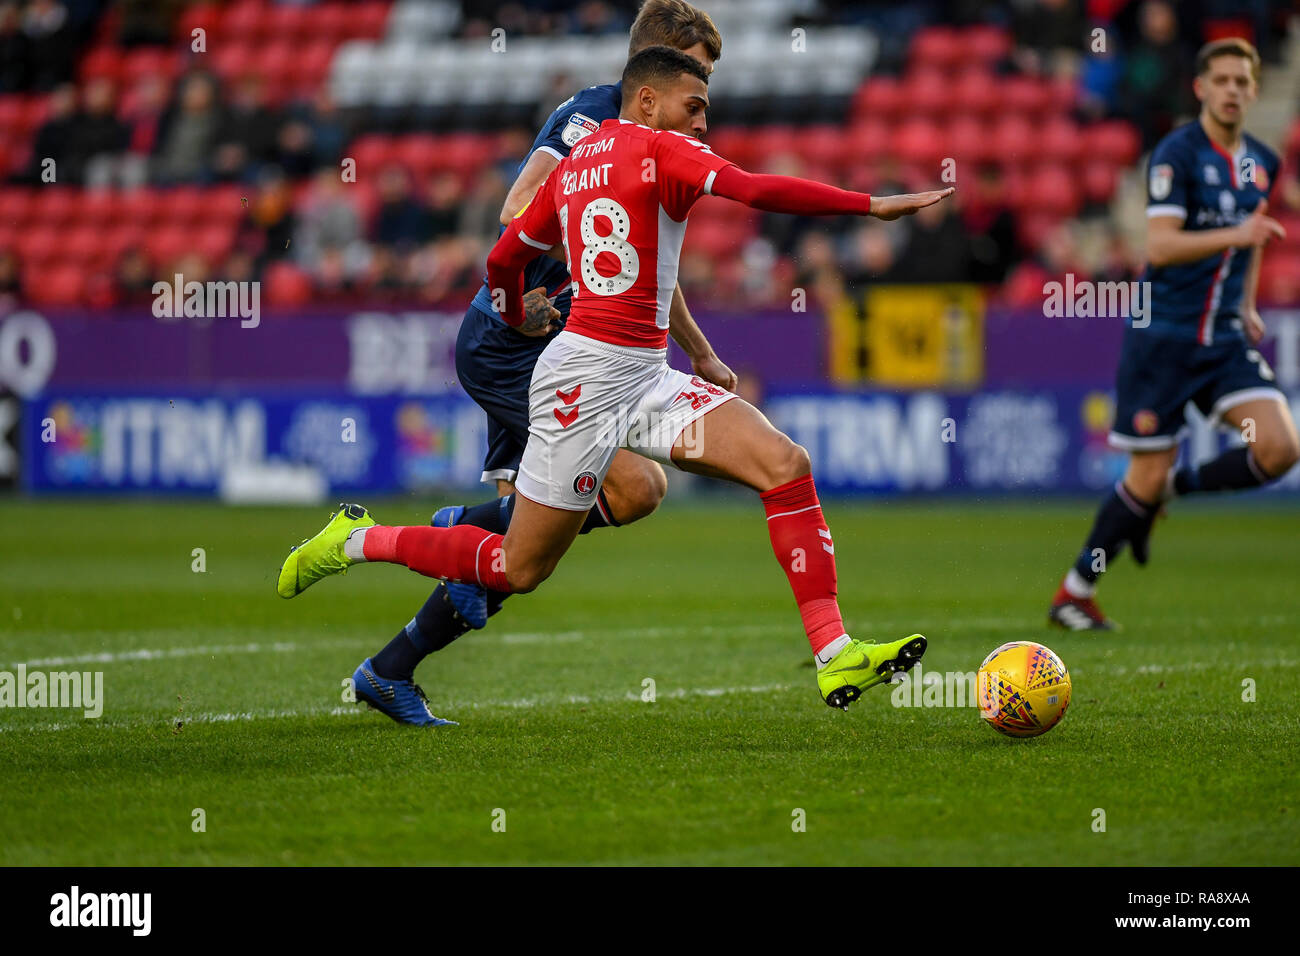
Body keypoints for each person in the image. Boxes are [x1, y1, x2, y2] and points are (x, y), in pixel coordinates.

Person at [278, 46, 953, 724]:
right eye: (695, 107)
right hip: (584, 383)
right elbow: (755, 190)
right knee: (519, 568)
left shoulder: (574, 167)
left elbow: (504, 257)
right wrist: (871, 205)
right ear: (648, 101)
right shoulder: (660, 151)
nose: (702, 126)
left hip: (643, 374)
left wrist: (515, 311)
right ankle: (355, 539)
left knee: (784, 464)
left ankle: (834, 649)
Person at [1049, 38, 1298, 631]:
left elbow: (1254, 235)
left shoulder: (1262, 160)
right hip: (1162, 337)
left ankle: (1175, 492)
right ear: (1201, 88)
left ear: (1254, 90)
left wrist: (1246, 300)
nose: (1234, 90)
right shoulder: (1176, 154)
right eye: (1224, 80)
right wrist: (1235, 236)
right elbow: (1159, 245)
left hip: (1225, 339)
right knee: (1143, 476)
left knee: (1279, 447)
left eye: (1243, 80)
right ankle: (1074, 592)